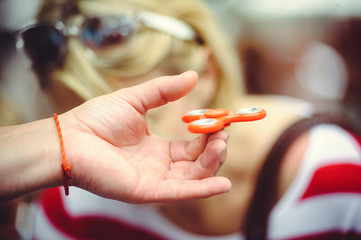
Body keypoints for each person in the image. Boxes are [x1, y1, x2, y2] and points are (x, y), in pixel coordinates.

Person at [15, 0, 361, 239]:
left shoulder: (336, 171)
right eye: (85, 132)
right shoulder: (71, 205)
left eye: (140, 119)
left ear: (205, 74)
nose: (110, 158)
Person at [0, 71, 231, 203]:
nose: (149, 138)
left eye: (155, 116)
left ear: (207, 73)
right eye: (68, 110)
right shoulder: (64, 207)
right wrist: (68, 137)